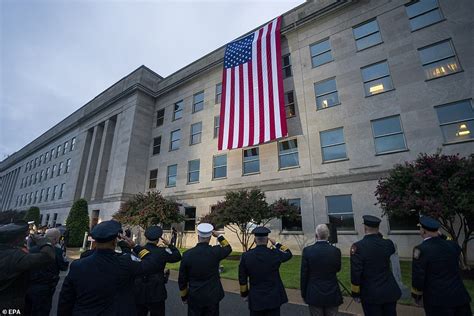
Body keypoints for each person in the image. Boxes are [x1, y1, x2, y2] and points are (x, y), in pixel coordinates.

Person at [58, 220, 165, 315]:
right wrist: (135, 247)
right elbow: (153, 263)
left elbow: (66, 300)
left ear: (95, 240)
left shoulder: (77, 266)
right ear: (115, 241)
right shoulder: (126, 262)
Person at [412, 216, 471, 316]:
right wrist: (442, 235)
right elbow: (454, 244)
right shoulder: (452, 245)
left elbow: (418, 277)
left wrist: (416, 296)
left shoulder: (421, 250)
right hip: (459, 297)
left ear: (423, 231)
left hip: (437, 301)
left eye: (420, 228)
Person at [350, 215, 401, 316]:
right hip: (389, 291)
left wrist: (355, 292)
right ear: (378, 228)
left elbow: (356, 272)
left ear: (364, 228)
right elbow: (391, 247)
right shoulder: (388, 243)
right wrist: (379, 236)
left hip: (371, 294)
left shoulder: (358, 247)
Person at [0, 220, 55, 312]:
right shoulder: (16, 257)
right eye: (23, 237)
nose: (24, 240)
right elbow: (47, 257)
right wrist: (45, 242)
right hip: (9, 305)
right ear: (16, 239)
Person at [178, 223, 232, 316]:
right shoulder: (216, 251)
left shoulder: (187, 255)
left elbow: (182, 279)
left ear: (198, 236)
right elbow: (228, 248)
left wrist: (184, 296)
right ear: (210, 237)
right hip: (212, 296)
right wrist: (219, 236)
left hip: (195, 296)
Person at [239, 226, 293, 316]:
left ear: (255, 240)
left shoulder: (246, 256)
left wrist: (244, 294)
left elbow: (242, 277)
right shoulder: (275, 254)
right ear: (267, 240)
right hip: (273, 298)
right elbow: (288, 254)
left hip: (256, 298)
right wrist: (277, 244)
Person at [134, 225, 182, 316]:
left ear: (146, 237)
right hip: (156, 290)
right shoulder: (163, 252)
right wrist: (169, 244)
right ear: (158, 239)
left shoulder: (138, 250)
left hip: (140, 289)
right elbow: (177, 256)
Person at [25, 228, 69, 315]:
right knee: (42, 310)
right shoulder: (57, 251)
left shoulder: (32, 249)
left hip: (29, 285)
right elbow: (64, 266)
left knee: (28, 309)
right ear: (56, 239)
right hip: (46, 286)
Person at [301, 224, 342, 316]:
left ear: (316, 235)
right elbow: (338, 268)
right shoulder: (336, 251)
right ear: (328, 235)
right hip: (332, 291)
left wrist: (304, 293)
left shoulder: (308, 251)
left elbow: (304, 274)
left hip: (314, 292)